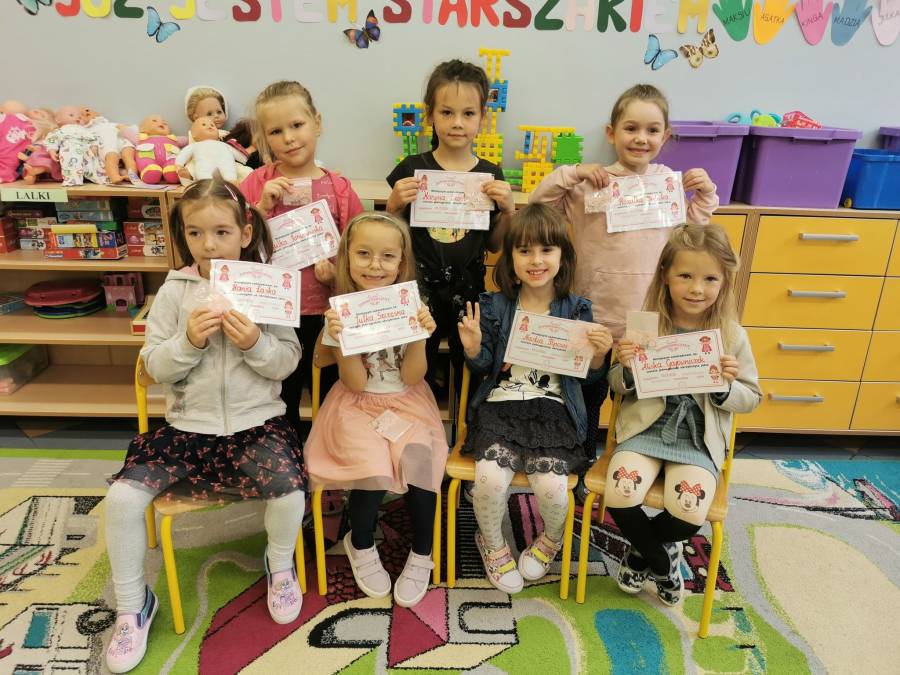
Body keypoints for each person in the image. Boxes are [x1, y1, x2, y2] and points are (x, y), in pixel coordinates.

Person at [104, 175, 306, 673]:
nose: (208, 244)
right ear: (183, 236)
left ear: (245, 232)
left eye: (221, 232)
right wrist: (188, 343)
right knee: (122, 500)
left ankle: (280, 564)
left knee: (290, 491)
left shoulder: (267, 286)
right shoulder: (174, 292)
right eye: (195, 233)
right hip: (186, 429)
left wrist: (255, 343)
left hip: (257, 424)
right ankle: (132, 606)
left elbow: (286, 363)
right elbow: (154, 366)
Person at [530, 83, 719, 459]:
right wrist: (572, 173)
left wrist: (706, 194)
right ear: (611, 133)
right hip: (592, 310)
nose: (641, 138)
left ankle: (628, 459)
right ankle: (581, 458)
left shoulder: (667, 185)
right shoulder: (592, 182)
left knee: (637, 395)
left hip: (647, 314)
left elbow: (691, 235)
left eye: (652, 130)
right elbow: (539, 205)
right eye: (631, 128)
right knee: (586, 391)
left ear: (665, 136)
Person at [457, 204, 613, 593]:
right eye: (524, 251)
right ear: (510, 258)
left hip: (553, 411)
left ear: (563, 256)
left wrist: (598, 356)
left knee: (553, 488)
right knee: (489, 479)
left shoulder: (577, 309)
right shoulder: (494, 305)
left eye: (546, 250)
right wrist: (474, 347)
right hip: (501, 407)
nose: (536, 260)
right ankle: (492, 544)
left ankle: (551, 540)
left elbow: (589, 377)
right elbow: (483, 366)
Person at [606, 223, 761, 605]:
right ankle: (662, 562)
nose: (696, 288)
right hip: (645, 429)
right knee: (620, 493)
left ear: (724, 281)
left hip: (696, 437)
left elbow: (752, 397)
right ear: (665, 275)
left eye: (710, 279)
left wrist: (725, 388)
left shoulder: (731, 336)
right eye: (685, 276)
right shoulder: (647, 324)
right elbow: (616, 386)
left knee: (689, 511)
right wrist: (626, 368)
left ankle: (641, 553)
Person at [305, 212, 448, 608]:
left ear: (401, 262)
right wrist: (341, 341)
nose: (375, 265)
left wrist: (419, 336)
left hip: (407, 399)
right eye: (364, 254)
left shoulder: (413, 306)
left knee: (419, 461)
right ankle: (362, 542)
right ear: (347, 258)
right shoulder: (338, 315)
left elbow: (414, 375)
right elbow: (354, 383)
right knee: (372, 466)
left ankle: (422, 551)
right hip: (355, 404)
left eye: (387, 256)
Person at [240, 80, 363, 437]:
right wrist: (261, 208)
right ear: (265, 138)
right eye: (276, 131)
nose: (289, 138)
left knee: (331, 391)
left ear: (317, 123)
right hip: (274, 314)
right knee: (281, 392)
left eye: (297, 125)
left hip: (327, 312)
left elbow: (359, 251)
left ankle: (327, 450)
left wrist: (336, 275)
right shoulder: (255, 184)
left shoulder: (340, 188)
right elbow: (234, 246)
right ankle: (286, 449)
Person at [386, 59, 515, 388]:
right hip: (419, 288)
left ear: (482, 118)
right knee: (417, 361)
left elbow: (494, 244)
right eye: (446, 112)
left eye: (468, 113)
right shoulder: (412, 169)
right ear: (430, 115)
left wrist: (508, 212)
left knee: (469, 362)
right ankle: (419, 412)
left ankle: (464, 416)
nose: (457, 123)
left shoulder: (490, 174)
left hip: (469, 288)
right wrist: (393, 207)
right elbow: (391, 240)